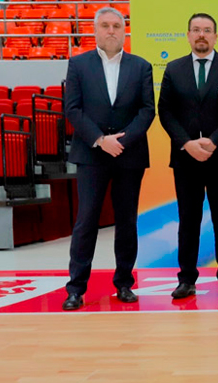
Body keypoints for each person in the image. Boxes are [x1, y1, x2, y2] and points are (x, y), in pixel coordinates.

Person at [62, 7, 154, 310]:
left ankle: (125, 283)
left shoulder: (141, 66)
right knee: (86, 219)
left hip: (129, 155)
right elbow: (73, 109)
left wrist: (121, 141)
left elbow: (146, 110)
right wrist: (101, 140)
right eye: (105, 25)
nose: (111, 30)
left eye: (117, 25)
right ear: (95, 30)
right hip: (91, 154)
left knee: (126, 220)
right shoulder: (78, 64)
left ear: (124, 30)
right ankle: (76, 288)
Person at [158, 13, 218, 300]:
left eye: (207, 30)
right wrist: (187, 143)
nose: (201, 35)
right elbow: (165, 112)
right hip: (186, 159)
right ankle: (186, 279)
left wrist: (213, 141)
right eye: (196, 30)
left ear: (216, 36)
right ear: (188, 35)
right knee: (189, 220)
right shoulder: (173, 69)